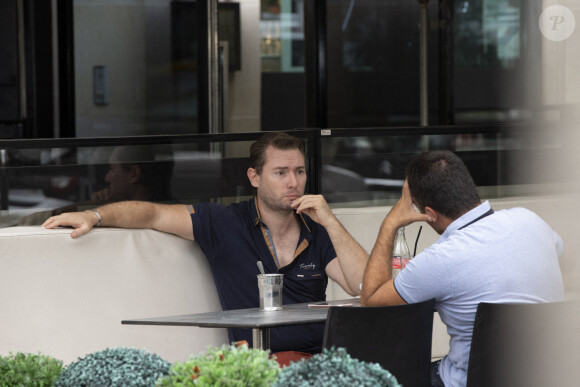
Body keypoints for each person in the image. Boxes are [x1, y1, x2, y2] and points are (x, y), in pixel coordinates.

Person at [42, 132, 368, 363]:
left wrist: (331, 221)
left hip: (321, 364)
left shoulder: (319, 230)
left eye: (299, 171)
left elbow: (363, 285)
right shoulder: (224, 222)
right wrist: (94, 215)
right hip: (255, 366)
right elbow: (152, 213)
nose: (293, 183)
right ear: (254, 177)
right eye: (280, 173)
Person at [360, 150, 565, 387]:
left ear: (429, 214)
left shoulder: (441, 259)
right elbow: (565, 258)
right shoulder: (531, 221)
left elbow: (371, 299)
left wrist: (390, 223)